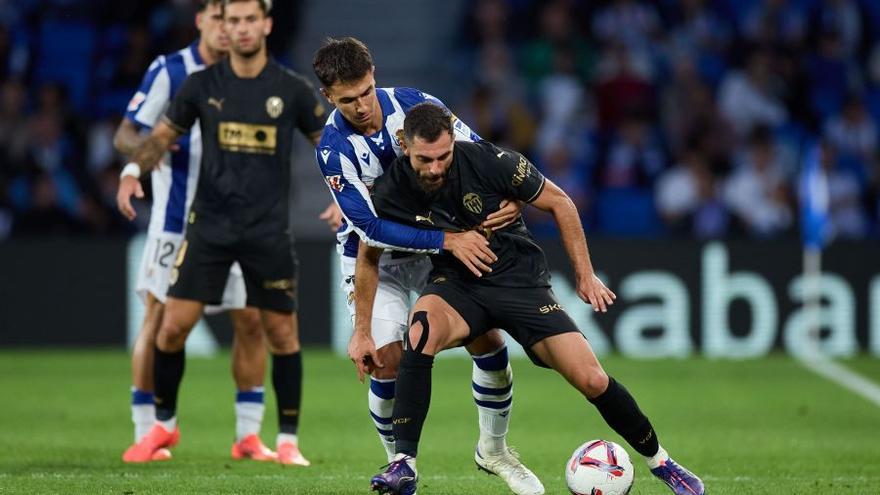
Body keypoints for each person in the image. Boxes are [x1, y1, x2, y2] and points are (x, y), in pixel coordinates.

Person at [357, 103, 705, 495]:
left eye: (443, 156)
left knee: (591, 378)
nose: (436, 168)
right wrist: (362, 331)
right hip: (457, 285)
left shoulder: (490, 160)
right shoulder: (390, 191)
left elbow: (561, 203)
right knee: (420, 330)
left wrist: (585, 274)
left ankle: (662, 463)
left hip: (520, 281)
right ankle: (404, 463)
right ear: (405, 146)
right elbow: (368, 253)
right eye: (425, 159)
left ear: (453, 142)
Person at [312, 37, 543, 495]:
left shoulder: (417, 105)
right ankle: (400, 469)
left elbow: (476, 156)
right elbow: (371, 232)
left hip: (441, 248)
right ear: (328, 97)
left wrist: (512, 195)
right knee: (385, 361)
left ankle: (494, 451)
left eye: (365, 91)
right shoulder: (332, 150)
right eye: (347, 99)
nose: (361, 106)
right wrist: (450, 239)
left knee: (489, 340)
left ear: (374, 73)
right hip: (378, 260)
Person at [116, 0, 325, 466]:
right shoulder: (197, 84)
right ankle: (162, 429)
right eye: (234, 20)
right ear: (223, 27)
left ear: (268, 24)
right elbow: (160, 137)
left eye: (252, 19)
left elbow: (328, 145)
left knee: (276, 333)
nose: (243, 28)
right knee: (170, 329)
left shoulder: (290, 89)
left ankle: (283, 439)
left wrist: (341, 196)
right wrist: (133, 170)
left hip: (267, 232)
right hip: (207, 229)